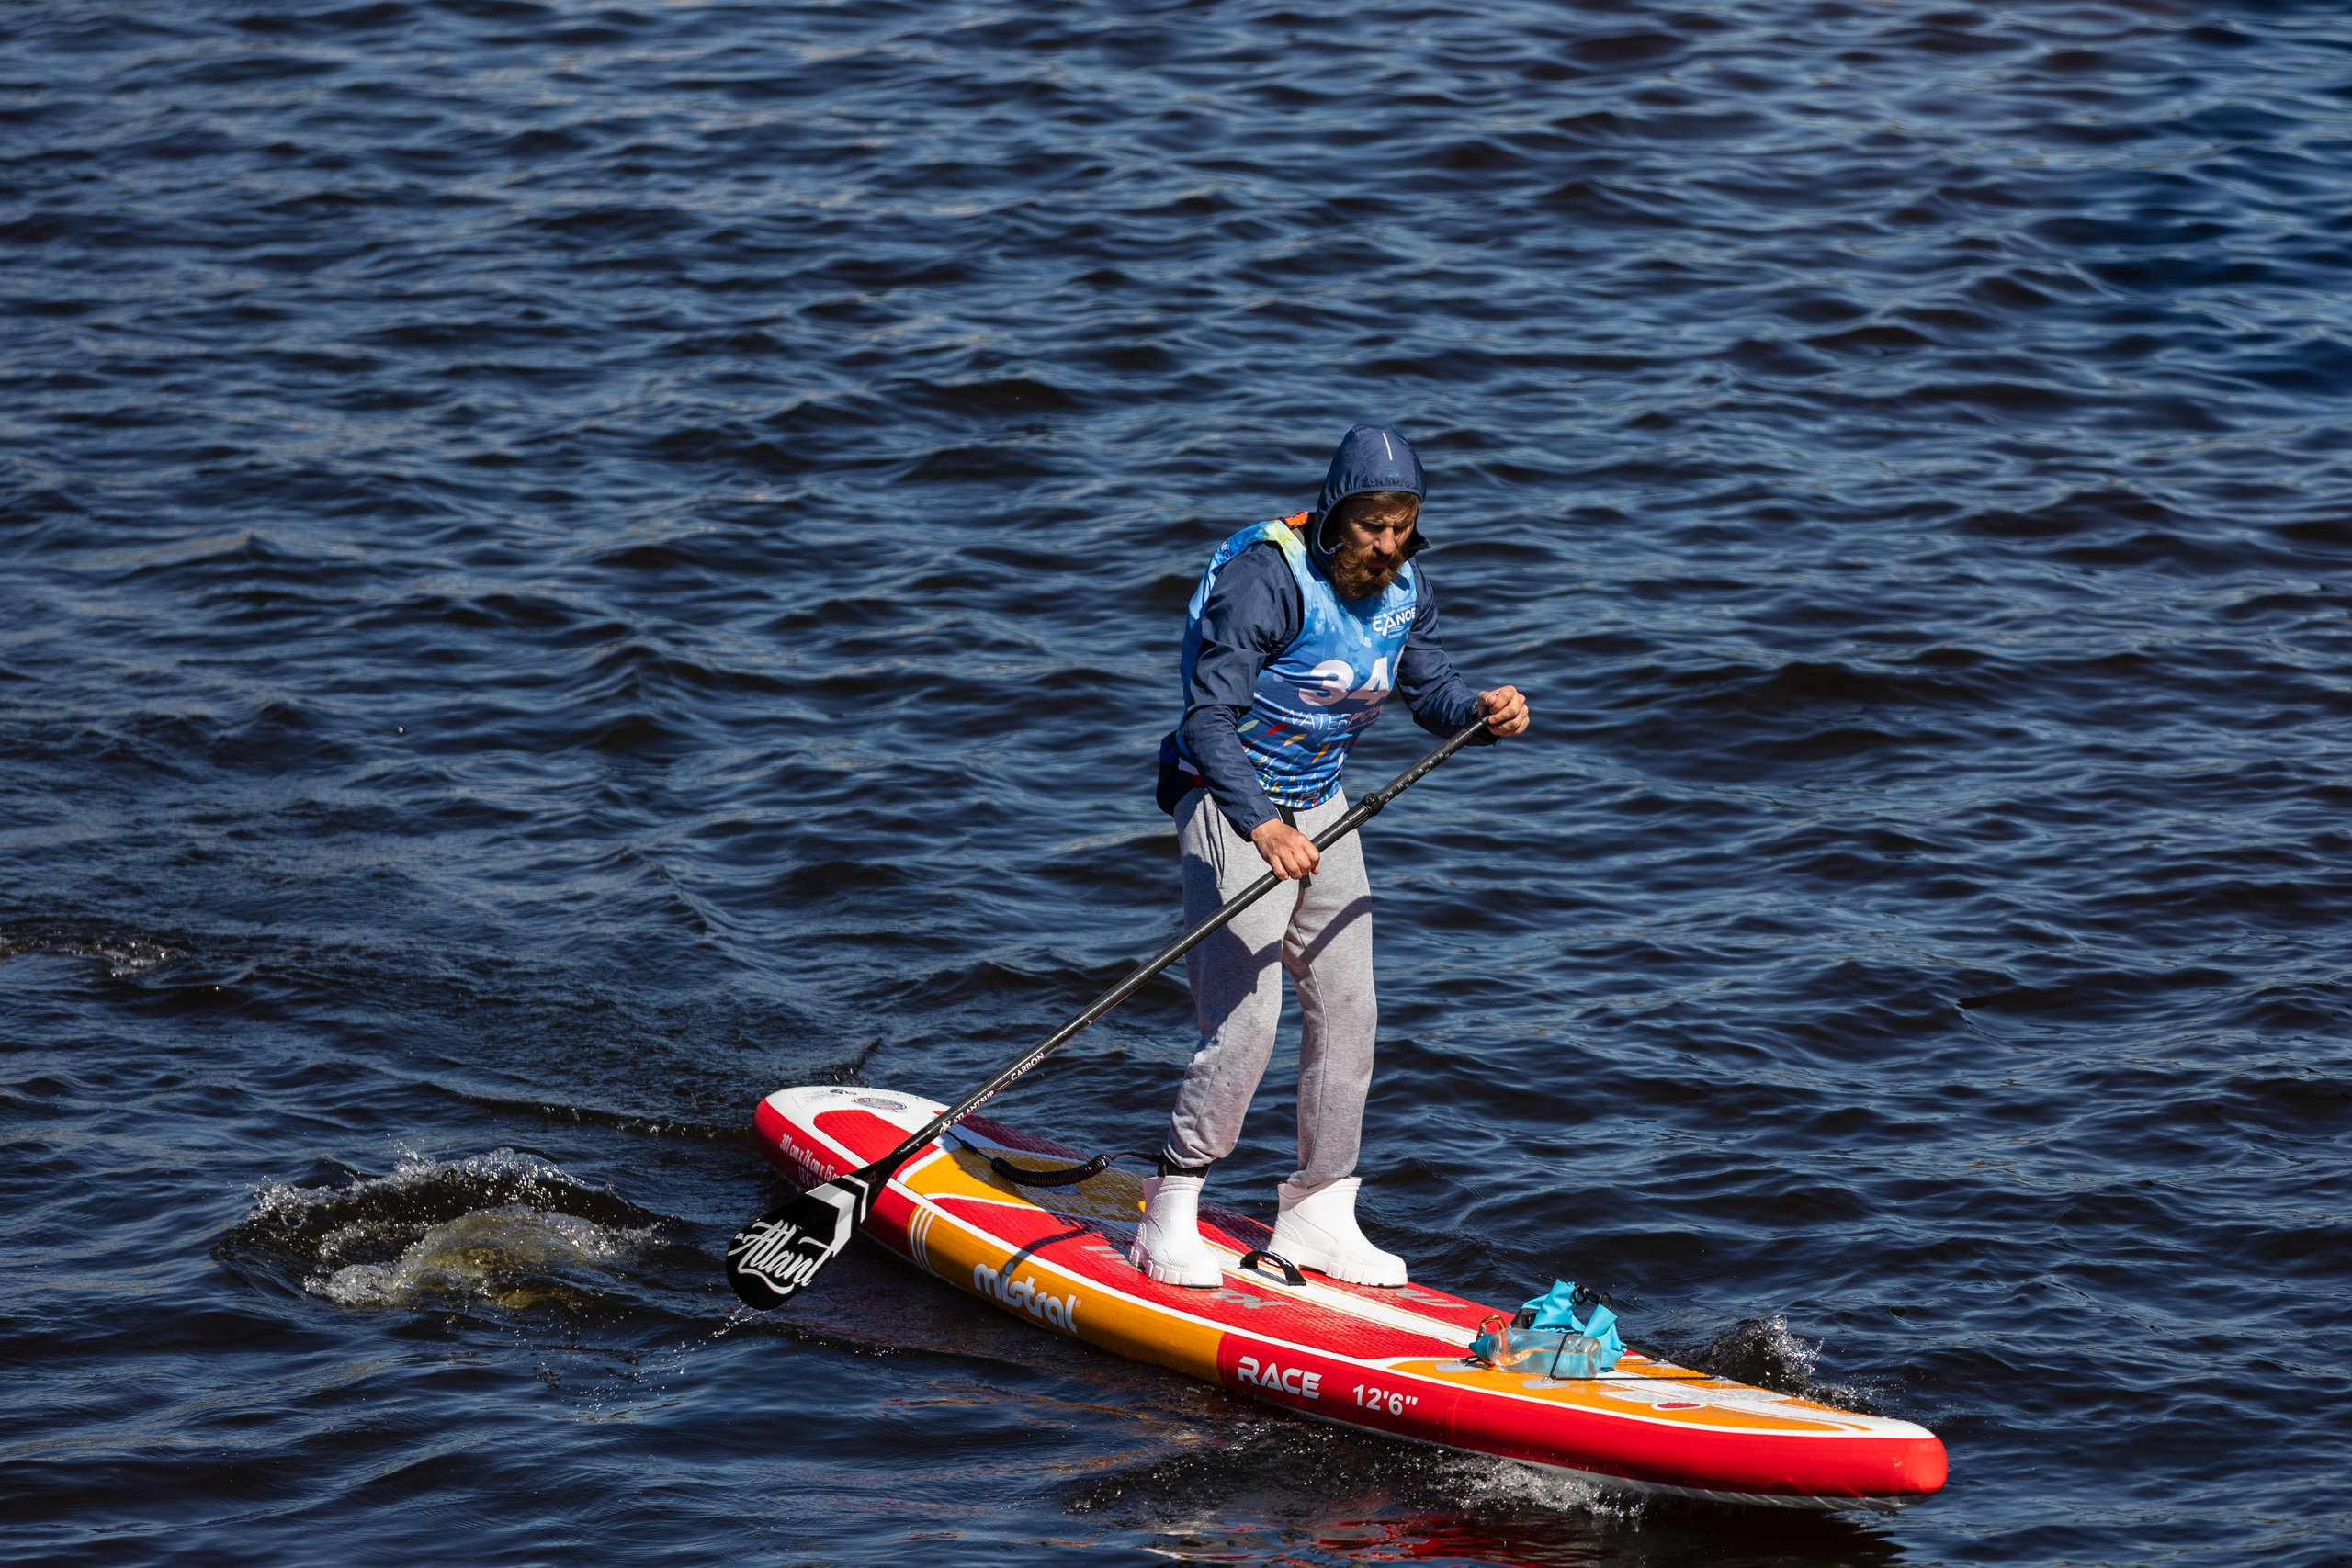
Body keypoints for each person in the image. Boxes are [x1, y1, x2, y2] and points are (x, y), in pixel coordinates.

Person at [1132, 423, 1529, 1289]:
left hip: (1323, 808)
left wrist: (1481, 711)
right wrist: (1261, 825)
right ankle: (1171, 1208)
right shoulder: (1264, 581)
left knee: (1350, 1004)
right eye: (1371, 525)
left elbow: (1430, 689)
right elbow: (1205, 720)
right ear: (1333, 516)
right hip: (1230, 802)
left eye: (1403, 525)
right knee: (1246, 1019)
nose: (1387, 544)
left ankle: (1316, 1208)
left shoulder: (1406, 585)